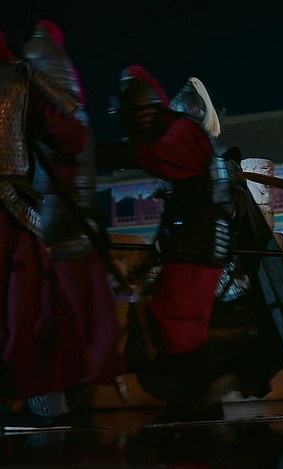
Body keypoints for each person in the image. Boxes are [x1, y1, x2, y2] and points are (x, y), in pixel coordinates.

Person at [97, 66, 235, 412]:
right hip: (187, 240)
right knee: (172, 316)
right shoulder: (176, 136)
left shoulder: (182, 133)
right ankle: (193, 397)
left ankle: (200, 390)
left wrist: (92, 153)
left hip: (200, 244)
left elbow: (152, 157)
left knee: (177, 317)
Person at [0, 28, 116, 422]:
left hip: (22, 220)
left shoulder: (18, 79)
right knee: (29, 319)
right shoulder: (18, 79)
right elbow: (72, 136)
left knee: (32, 320)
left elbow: (71, 141)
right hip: (15, 222)